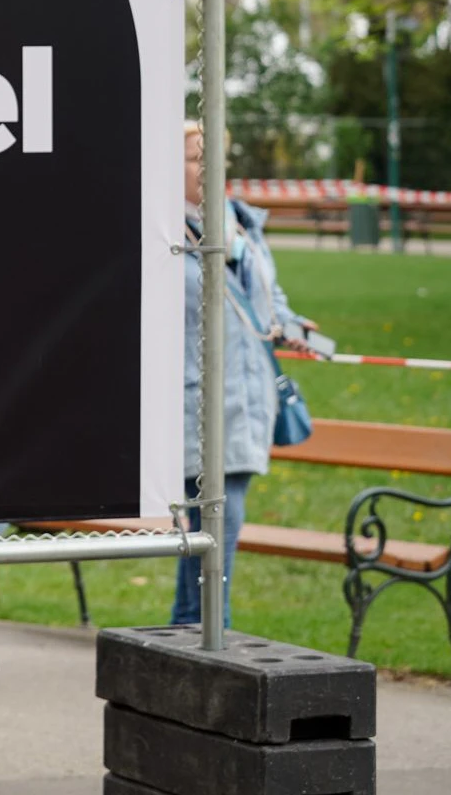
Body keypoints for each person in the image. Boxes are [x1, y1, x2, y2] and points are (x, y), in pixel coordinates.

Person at [173, 121, 316, 627]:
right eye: (195, 157)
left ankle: (192, 637)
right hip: (200, 405)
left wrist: (292, 326)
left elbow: (268, 301)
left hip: (248, 401)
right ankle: (209, 640)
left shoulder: (242, 224)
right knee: (215, 537)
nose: (210, 167)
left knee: (215, 540)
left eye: (216, 156)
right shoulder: (159, 233)